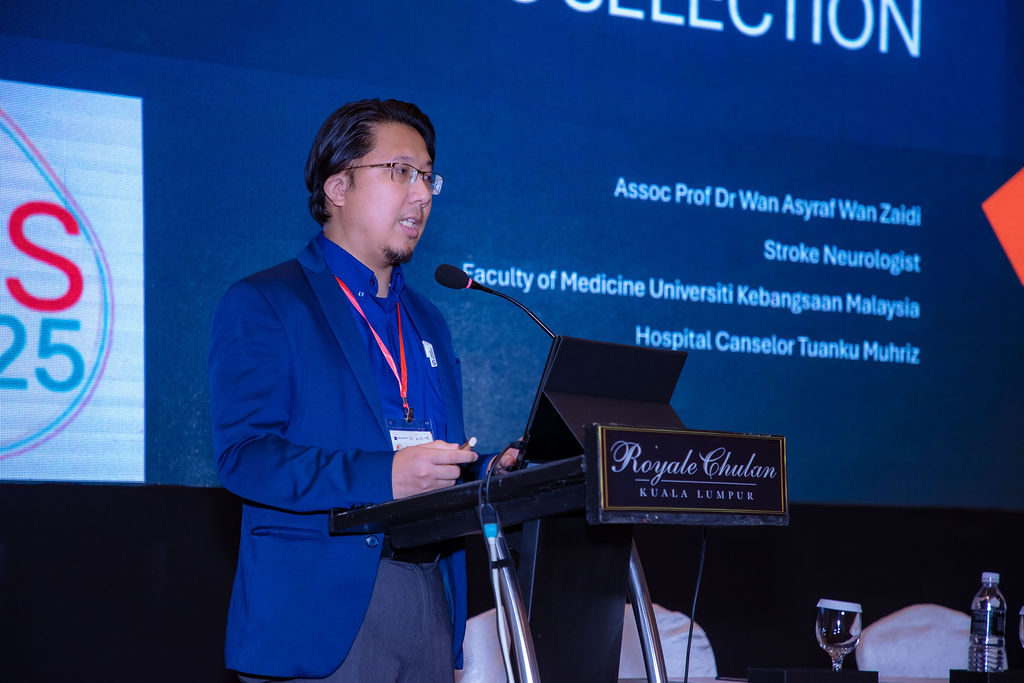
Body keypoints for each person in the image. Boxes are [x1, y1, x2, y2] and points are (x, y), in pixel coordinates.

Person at [209, 98, 517, 682]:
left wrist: (490, 472)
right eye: (401, 171)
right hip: (318, 612)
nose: (422, 194)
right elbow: (246, 457)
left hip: (430, 596)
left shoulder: (428, 320)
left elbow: (429, 458)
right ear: (338, 187)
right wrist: (385, 476)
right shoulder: (267, 303)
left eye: (428, 177)